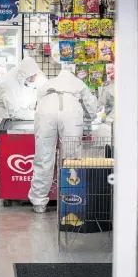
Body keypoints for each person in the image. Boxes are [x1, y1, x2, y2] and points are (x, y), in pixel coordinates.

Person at [28, 70, 97, 213]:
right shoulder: (79, 83)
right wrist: (90, 119)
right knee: (71, 156)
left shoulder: (47, 83)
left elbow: (38, 102)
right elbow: (91, 106)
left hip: (46, 111)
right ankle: (71, 198)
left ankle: (38, 202)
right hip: (71, 111)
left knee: (43, 155)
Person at [0, 57, 47, 196]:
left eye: (35, 76)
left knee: (25, 144)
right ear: (24, 75)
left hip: (26, 111)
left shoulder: (36, 74)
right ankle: (2, 184)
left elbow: (46, 88)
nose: (34, 78)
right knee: (6, 146)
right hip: (4, 114)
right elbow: (14, 112)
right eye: (31, 77)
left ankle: (25, 183)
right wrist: (38, 114)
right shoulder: (8, 83)